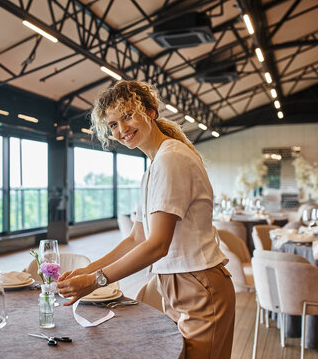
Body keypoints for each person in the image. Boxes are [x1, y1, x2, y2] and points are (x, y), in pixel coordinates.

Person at [57, 80, 235, 359]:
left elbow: (157, 245)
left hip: (199, 285)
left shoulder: (171, 158)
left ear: (150, 112)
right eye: (113, 124)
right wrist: (87, 270)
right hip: (179, 284)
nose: (121, 129)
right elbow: (136, 238)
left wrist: (96, 280)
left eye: (127, 116)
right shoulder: (153, 166)